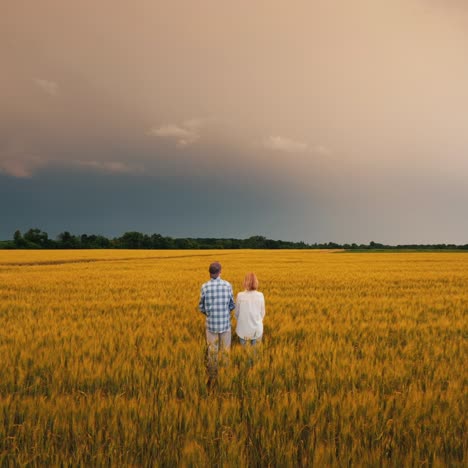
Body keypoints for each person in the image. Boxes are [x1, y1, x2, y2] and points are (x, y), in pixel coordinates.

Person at [198, 262, 235, 383]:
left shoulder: (205, 286)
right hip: (225, 324)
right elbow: (232, 305)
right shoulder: (227, 285)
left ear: (209, 273)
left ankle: (213, 376)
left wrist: (209, 314)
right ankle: (225, 374)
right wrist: (224, 312)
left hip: (211, 325)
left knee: (212, 351)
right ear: (220, 272)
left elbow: (201, 307)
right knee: (225, 351)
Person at [235, 272, 265, 346]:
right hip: (257, 330)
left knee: (244, 355)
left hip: (243, 330)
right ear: (256, 282)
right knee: (255, 355)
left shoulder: (240, 295)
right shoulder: (260, 295)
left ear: (245, 282)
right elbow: (262, 313)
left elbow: (236, 314)